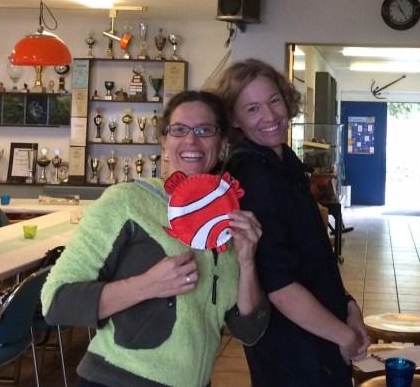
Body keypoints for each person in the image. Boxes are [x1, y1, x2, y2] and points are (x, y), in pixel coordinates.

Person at [41, 90, 269, 387]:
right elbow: (56, 302)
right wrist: (148, 285)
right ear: (164, 141)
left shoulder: (228, 218)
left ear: (223, 143)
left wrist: (247, 261)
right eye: (179, 130)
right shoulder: (126, 202)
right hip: (116, 380)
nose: (191, 140)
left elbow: (248, 331)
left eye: (204, 130)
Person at [208, 58, 369, 387]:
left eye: (274, 100)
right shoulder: (252, 176)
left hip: (320, 333)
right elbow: (278, 285)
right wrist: (345, 336)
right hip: (294, 351)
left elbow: (313, 258)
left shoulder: (283, 163)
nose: (269, 116)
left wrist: (348, 305)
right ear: (234, 118)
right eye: (252, 109)